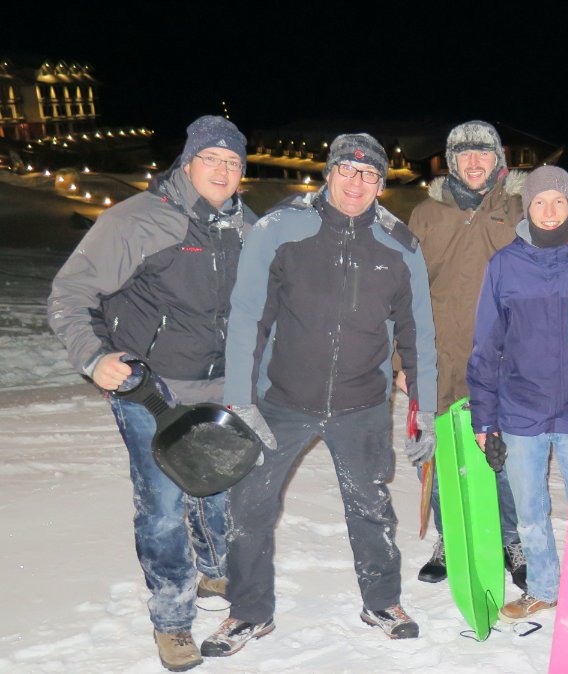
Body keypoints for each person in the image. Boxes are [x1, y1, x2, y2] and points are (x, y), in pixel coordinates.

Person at [201, 133, 438, 656]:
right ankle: (248, 612)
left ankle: (382, 602)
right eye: (347, 170)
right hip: (281, 399)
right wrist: (240, 400)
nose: (357, 183)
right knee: (250, 506)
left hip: (362, 403)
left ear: (381, 184)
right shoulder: (279, 229)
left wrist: (427, 408)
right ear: (328, 173)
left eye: (369, 174)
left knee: (371, 507)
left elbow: (418, 331)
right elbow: (248, 317)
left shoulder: (400, 245)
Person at [47, 115, 255, 671]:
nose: (223, 171)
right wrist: (94, 357)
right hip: (150, 389)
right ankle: (172, 618)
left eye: (233, 162)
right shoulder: (138, 220)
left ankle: (215, 574)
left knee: (217, 490)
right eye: (211, 159)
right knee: (162, 507)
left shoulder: (246, 226)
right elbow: (70, 294)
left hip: (221, 387)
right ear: (187, 163)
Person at [466, 165, 568, 621]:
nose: (549, 211)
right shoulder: (504, 266)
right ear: (527, 208)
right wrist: (485, 419)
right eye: (539, 202)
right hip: (519, 411)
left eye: (558, 201)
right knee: (529, 511)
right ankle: (544, 586)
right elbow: (486, 346)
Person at [407, 120, 526, 589]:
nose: (474, 162)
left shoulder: (520, 207)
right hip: (442, 358)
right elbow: (405, 290)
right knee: (443, 455)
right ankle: (449, 537)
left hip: (505, 359)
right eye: (463, 154)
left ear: (499, 159)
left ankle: (510, 539)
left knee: (502, 452)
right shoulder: (426, 213)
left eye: (483, 153)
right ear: (451, 161)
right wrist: (403, 362)